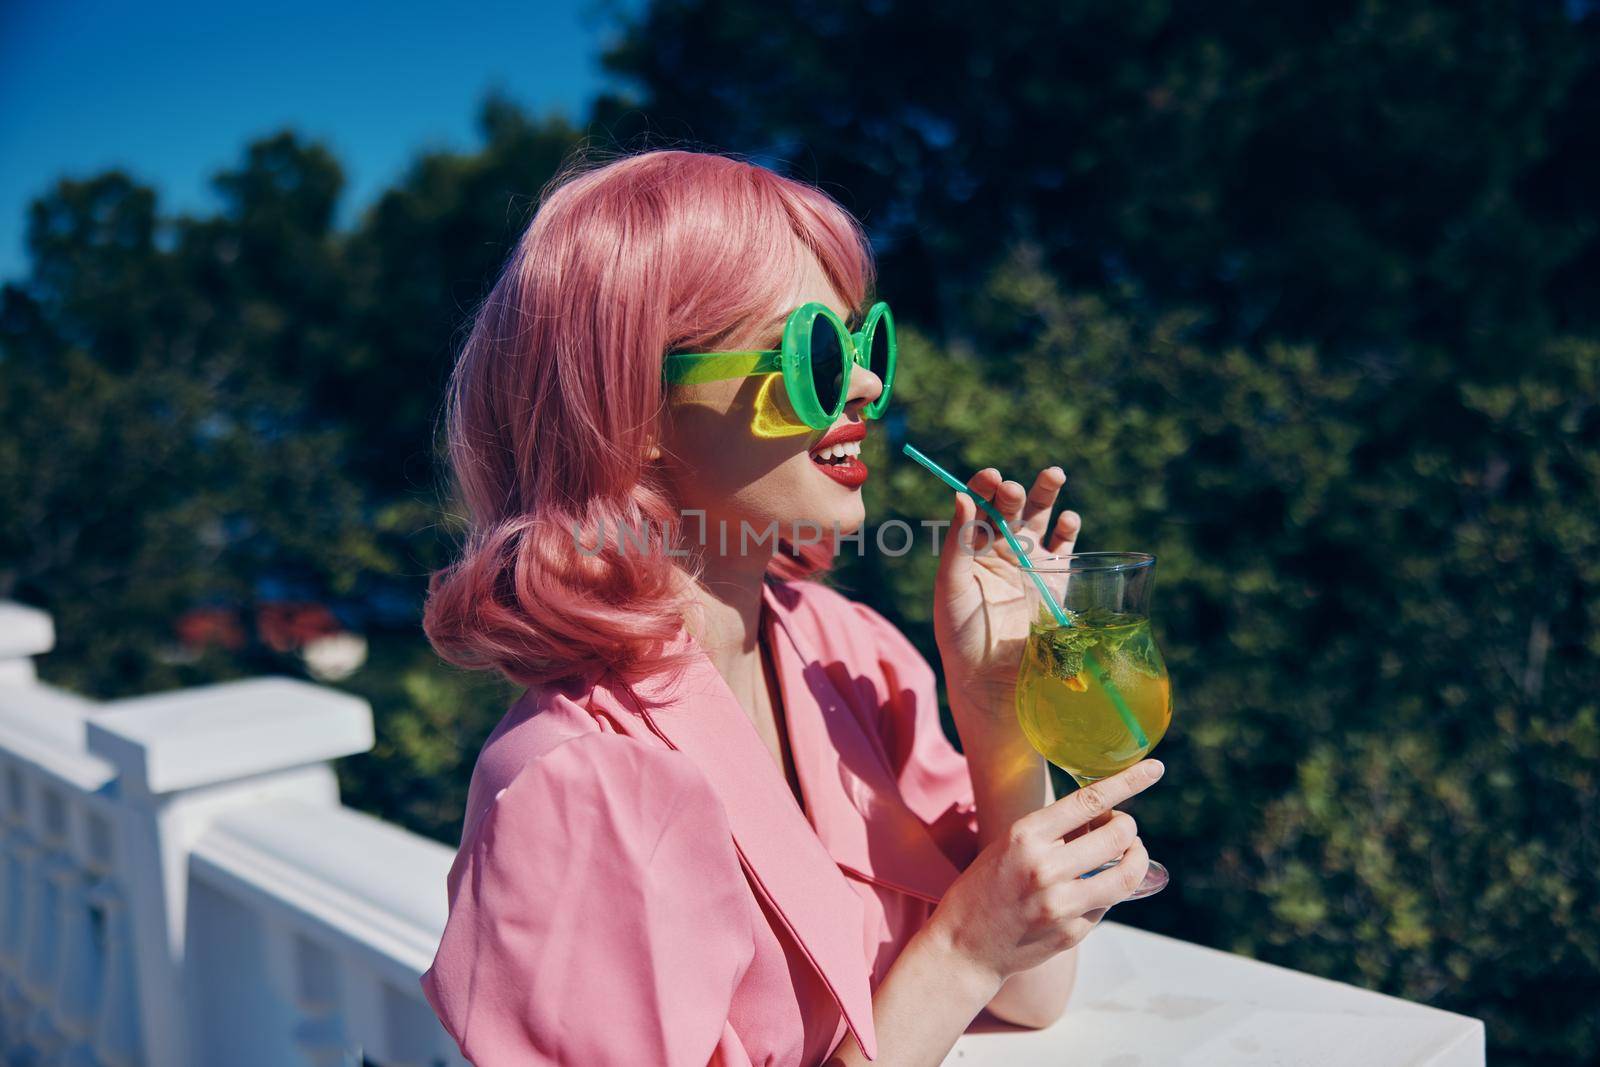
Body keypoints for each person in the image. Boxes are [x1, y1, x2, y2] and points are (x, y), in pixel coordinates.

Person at [416, 148, 1163, 1067]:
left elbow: (1031, 990)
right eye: (812, 351)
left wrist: (997, 712)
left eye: (864, 342)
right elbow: (977, 958)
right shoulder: (577, 786)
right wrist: (961, 947)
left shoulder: (846, 651)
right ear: (638, 416)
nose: (865, 385)